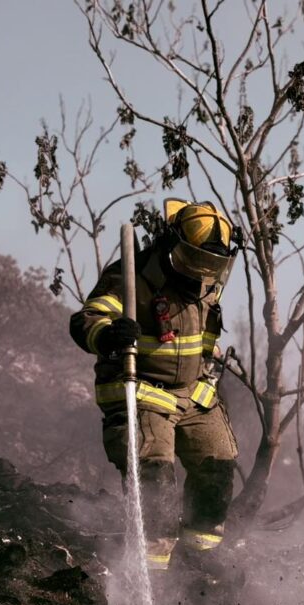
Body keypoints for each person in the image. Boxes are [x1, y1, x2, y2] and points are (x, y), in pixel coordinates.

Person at [69, 199, 238, 584]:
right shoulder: (132, 277)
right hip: (143, 391)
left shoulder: (208, 279)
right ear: (173, 243)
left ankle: (198, 562)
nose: (203, 270)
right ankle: (152, 578)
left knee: (218, 464)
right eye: (196, 258)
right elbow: (85, 320)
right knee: (155, 480)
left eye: (212, 262)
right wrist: (108, 334)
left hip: (192, 393)